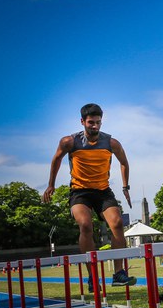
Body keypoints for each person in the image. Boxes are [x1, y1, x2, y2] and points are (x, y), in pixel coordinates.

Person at [42, 103, 136, 291]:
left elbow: (124, 162)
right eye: (91, 122)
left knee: (117, 224)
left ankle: (119, 274)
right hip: (79, 192)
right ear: (82, 122)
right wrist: (51, 184)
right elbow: (56, 159)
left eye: (98, 122)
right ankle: (93, 276)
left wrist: (125, 186)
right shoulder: (70, 142)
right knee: (85, 225)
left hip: (102, 191)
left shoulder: (111, 143)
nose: (95, 126)